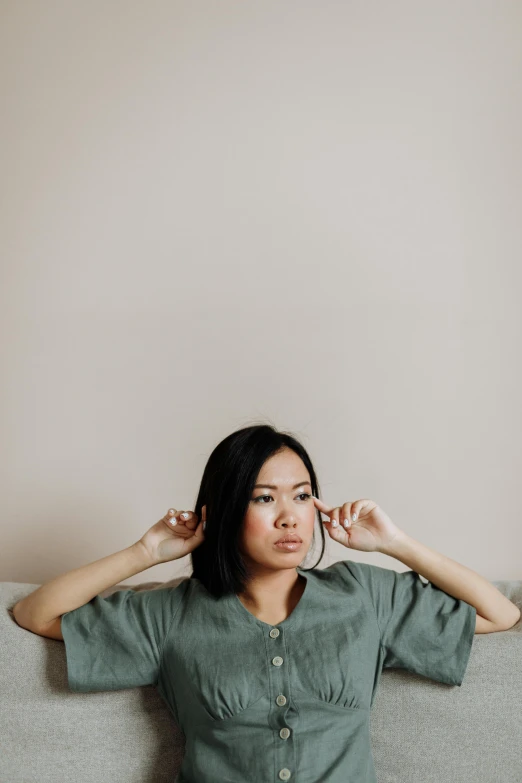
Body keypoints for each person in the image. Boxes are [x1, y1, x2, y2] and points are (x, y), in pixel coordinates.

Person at [12, 423, 520, 783]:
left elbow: (500, 613)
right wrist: (144, 552)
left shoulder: (363, 595)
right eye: (263, 498)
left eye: (302, 496)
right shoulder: (168, 615)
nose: (289, 517)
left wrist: (395, 544)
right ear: (227, 509)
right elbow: (36, 613)